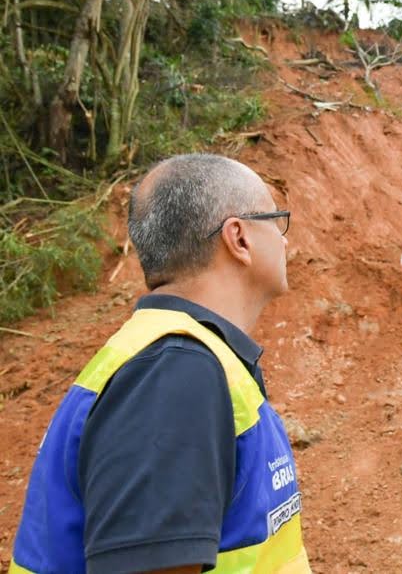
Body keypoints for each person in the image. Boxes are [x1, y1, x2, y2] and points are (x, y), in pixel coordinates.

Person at [8, 154, 310, 573]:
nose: (285, 240)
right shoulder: (175, 374)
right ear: (239, 238)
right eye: (277, 221)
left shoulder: (183, 359)